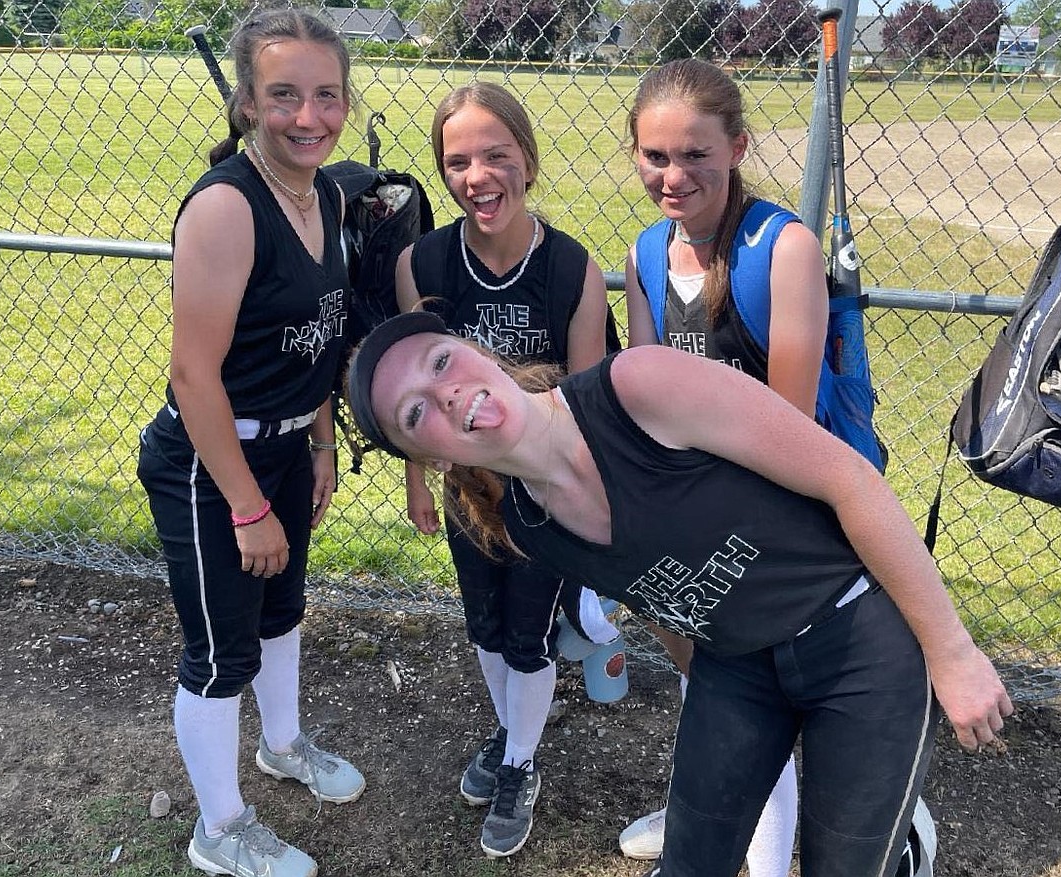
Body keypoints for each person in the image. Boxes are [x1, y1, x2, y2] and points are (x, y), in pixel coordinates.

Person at [346, 311, 1013, 877]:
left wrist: (951, 652)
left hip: (856, 636)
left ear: (475, 350)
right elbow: (646, 591)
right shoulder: (526, 519)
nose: (447, 394)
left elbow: (851, 480)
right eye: (414, 413)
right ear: (427, 457)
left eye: (441, 361)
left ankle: (899, 843)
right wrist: (714, 703)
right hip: (737, 665)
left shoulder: (638, 387)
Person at [136, 10, 364, 877]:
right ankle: (220, 829)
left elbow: (318, 333)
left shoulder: (328, 193)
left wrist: (317, 445)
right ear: (244, 101)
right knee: (219, 652)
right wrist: (247, 504)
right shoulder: (228, 206)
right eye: (283, 96)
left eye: (325, 95)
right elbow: (193, 377)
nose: (309, 117)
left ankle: (284, 743)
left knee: (283, 611)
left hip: (281, 449)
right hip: (210, 461)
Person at [390, 81, 612, 858]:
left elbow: (589, 405)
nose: (477, 176)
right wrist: (420, 476)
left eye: (496, 155)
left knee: (528, 635)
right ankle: (512, 733)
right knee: (483, 623)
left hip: (543, 488)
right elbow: (411, 385)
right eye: (457, 161)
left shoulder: (571, 268)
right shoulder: (423, 261)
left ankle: (520, 761)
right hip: (465, 485)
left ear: (527, 159)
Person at [620, 57, 829, 876]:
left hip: (774, 506)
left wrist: (703, 531)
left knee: (749, 693)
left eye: (696, 155)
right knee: (701, 681)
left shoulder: (783, 247)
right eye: (656, 157)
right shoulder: (645, 251)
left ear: (738, 146)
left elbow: (790, 430)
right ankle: (705, 803)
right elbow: (645, 401)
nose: (675, 177)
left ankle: (771, 859)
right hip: (691, 503)